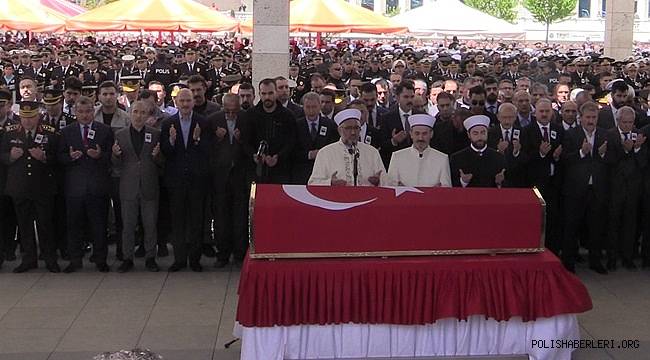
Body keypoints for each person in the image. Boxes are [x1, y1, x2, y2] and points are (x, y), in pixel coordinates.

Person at [0, 102, 59, 273]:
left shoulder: (49, 132)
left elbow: (58, 157)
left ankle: (49, 258)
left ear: (38, 116)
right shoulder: (9, 132)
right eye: (24, 117)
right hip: (20, 187)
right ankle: (29, 259)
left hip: (42, 187)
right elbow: (2, 154)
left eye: (31, 117)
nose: (27, 121)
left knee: (45, 224)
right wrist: (9, 157)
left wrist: (44, 157)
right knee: (24, 225)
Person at [57, 96, 114, 273]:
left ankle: (100, 259)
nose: (84, 115)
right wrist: (70, 158)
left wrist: (99, 156)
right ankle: (75, 260)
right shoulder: (67, 132)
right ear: (75, 113)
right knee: (74, 226)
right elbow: (59, 157)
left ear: (93, 111)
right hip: (75, 188)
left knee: (98, 226)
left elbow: (111, 157)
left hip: (97, 187)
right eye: (80, 112)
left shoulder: (105, 130)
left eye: (88, 111)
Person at [160, 89, 213, 272]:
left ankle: (195, 259)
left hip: (197, 180)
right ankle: (179, 259)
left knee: (196, 220)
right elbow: (165, 151)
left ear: (193, 102)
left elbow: (208, 151)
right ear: (176, 102)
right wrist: (172, 141)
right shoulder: (168, 123)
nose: (185, 104)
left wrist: (197, 139)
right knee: (178, 221)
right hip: (176, 181)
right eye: (181, 101)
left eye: (188, 101)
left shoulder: (203, 122)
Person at [112, 100, 163, 273]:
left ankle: (150, 257)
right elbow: (116, 164)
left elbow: (162, 162)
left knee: (150, 224)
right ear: (130, 113)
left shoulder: (155, 134)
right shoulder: (120, 134)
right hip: (128, 186)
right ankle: (127, 258)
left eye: (142, 113)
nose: (139, 116)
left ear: (148, 115)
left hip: (149, 185)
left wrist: (157, 157)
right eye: (135, 112)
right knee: (128, 225)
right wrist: (115, 155)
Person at [560, 101, 610, 274]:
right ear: (581, 118)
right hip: (575, 190)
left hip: (596, 189)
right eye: (588, 117)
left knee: (596, 227)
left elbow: (612, 162)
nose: (591, 120)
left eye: (594, 117)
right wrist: (582, 152)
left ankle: (595, 261)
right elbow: (565, 159)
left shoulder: (605, 134)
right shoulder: (571, 135)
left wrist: (602, 154)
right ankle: (568, 262)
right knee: (572, 226)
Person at [208, 94, 251, 268]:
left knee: (240, 216)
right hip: (220, 176)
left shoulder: (246, 119)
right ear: (222, 107)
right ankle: (222, 254)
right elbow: (206, 148)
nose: (232, 114)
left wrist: (242, 140)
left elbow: (252, 145)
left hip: (240, 175)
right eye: (228, 111)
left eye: (235, 111)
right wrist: (217, 138)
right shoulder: (213, 120)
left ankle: (240, 253)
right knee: (221, 217)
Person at [604, 106, 647, 271]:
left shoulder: (639, 135)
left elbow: (643, 163)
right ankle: (612, 258)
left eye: (631, 122)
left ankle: (628, 257)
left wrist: (636, 148)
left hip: (633, 188)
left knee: (630, 224)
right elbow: (609, 161)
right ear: (618, 121)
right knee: (613, 223)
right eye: (625, 122)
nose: (628, 125)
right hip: (615, 187)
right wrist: (625, 150)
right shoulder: (609, 135)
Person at [521, 98, 564, 255]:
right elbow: (524, 157)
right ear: (535, 113)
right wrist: (541, 153)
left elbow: (562, 152)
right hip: (536, 183)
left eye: (547, 111)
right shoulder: (527, 131)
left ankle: (553, 251)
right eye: (541, 111)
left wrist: (558, 156)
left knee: (554, 218)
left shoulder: (558, 129)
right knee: (536, 217)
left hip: (555, 182)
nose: (544, 114)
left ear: (552, 112)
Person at [309, 109, 385, 186]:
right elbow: (313, 183)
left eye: (356, 128)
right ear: (339, 130)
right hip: (337, 196)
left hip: (367, 196)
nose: (353, 132)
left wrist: (379, 181)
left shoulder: (372, 152)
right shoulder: (325, 153)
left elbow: (386, 181)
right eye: (348, 128)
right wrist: (330, 183)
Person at [244, 78, 297, 184]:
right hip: (256, 171)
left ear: (276, 93)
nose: (267, 97)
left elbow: (291, 141)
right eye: (263, 94)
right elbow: (245, 140)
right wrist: (253, 155)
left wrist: (278, 157)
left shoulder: (287, 116)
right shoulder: (250, 115)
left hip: (281, 171)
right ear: (259, 94)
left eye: (270, 93)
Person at [387, 114, 451, 187]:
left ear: (431, 134)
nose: (420, 138)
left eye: (424, 134)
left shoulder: (442, 158)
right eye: (417, 133)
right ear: (411, 134)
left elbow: (446, 190)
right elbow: (390, 188)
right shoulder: (397, 156)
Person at [291, 92, 338, 184]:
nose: (311, 110)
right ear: (303, 107)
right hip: (301, 173)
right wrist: (309, 154)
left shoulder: (330, 124)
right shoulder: (296, 125)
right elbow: (291, 150)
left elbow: (335, 147)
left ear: (320, 106)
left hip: (324, 172)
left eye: (314, 107)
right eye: (308, 107)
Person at [450, 115, 506, 188]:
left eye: (483, 133)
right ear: (468, 135)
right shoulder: (457, 158)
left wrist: (499, 183)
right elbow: (451, 186)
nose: (479, 137)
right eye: (475, 133)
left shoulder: (498, 157)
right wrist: (463, 182)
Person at [487, 103, 527, 187]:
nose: (507, 121)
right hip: (495, 178)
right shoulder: (490, 133)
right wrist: (499, 151)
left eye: (510, 117)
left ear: (515, 117)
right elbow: (487, 156)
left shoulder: (522, 132)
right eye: (504, 117)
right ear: (498, 117)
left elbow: (526, 158)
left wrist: (516, 152)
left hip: (516, 179)